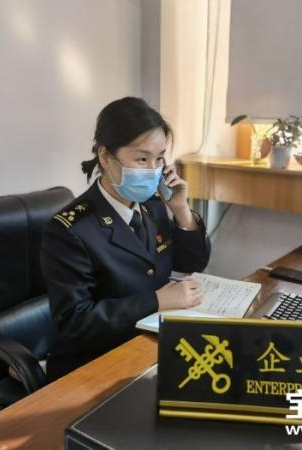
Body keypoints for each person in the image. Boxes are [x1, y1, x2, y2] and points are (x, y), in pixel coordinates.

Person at [41, 97, 211, 380]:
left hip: (150, 344)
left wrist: (181, 209)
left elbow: (194, 262)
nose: (153, 169)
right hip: (96, 361)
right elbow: (76, 323)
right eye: (142, 159)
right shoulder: (70, 229)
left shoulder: (153, 205)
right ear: (106, 157)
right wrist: (157, 300)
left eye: (159, 158)